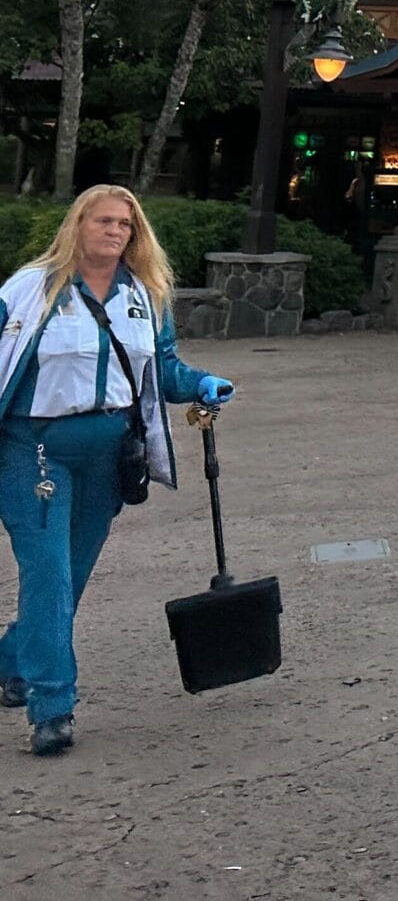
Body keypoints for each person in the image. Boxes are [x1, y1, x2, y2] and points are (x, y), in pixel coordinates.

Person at [0, 186, 235, 756]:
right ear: (76, 225)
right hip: (34, 448)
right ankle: (52, 707)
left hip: (109, 456)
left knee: (69, 577)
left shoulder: (146, 295)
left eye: (125, 225)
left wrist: (202, 384)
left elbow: (164, 369)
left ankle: (12, 662)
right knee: (50, 575)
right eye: (102, 221)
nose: (114, 232)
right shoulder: (28, 289)